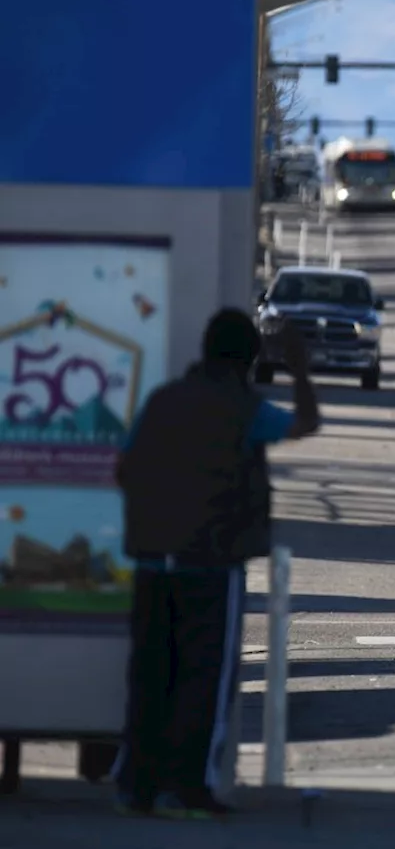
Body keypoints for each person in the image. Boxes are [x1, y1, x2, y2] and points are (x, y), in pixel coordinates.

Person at [111, 309, 320, 819]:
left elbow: (124, 466)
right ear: (248, 360)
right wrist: (298, 367)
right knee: (204, 678)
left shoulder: (162, 401)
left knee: (151, 674)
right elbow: (304, 423)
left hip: (151, 561)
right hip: (210, 561)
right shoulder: (241, 408)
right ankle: (189, 787)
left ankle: (135, 786)